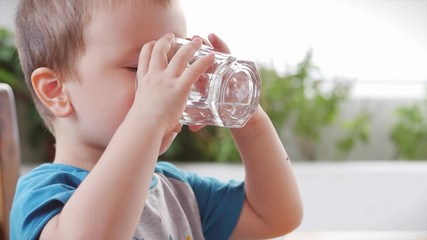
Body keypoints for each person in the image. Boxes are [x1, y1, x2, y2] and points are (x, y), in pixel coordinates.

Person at [10, 0, 303, 239]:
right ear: (56, 91)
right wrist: (148, 116)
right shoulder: (44, 195)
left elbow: (276, 215)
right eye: (140, 66)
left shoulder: (178, 193)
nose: (169, 82)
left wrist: (246, 116)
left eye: (176, 62)